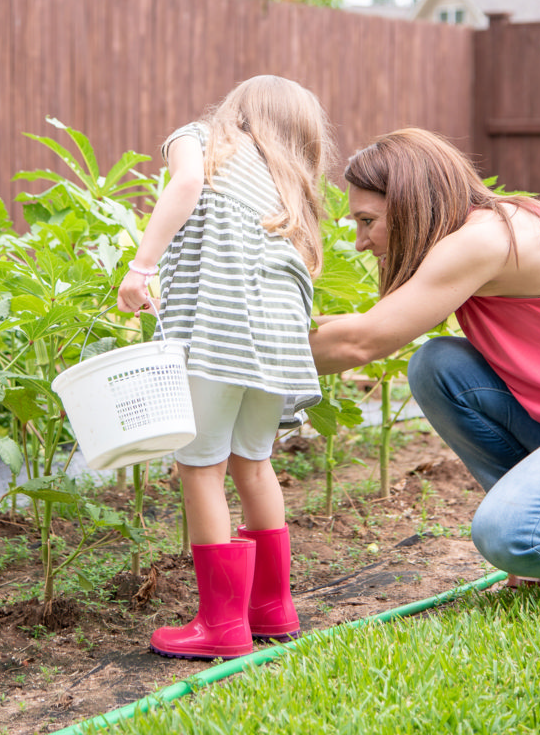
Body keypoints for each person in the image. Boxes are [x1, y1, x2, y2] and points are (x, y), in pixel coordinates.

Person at [309, 127, 540, 590]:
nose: (360, 242)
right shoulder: (486, 226)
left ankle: (536, 537)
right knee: (439, 366)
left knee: (507, 535)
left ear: (413, 206)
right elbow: (369, 323)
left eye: (367, 221)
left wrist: (234, 357)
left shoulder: (486, 240)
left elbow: (360, 343)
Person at [117, 75, 334, 659]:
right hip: (276, 348)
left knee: (199, 468)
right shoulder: (288, 188)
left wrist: (142, 267)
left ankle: (221, 626)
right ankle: (271, 610)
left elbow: (185, 182)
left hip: (218, 336)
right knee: (254, 466)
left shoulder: (201, 139)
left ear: (237, 111)